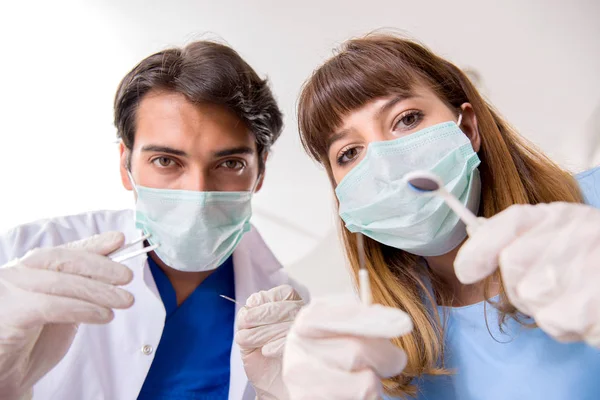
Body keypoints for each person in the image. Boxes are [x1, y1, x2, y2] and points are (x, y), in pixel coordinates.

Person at [279, 33, 600, 399]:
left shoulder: (590, 212)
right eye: (349, 153)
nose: (385, 165)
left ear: (467, 128)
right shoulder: (382, 349)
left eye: (407, 119)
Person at [0, 41, 306, 400]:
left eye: (229, 164)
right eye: (165, 161)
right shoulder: (23, 259)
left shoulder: (288, 315)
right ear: (125, 166)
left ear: (261, 172)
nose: (197, 192)